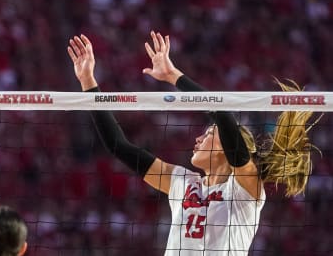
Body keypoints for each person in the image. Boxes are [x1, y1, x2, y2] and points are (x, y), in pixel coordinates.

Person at [67, 31, 319, 255]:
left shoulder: (244, 188)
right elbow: (117, 145)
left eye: (209, 134)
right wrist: (88, 81)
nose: (198, 138)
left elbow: (222, 114)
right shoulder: (183, 182)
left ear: (227, 146)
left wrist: (173, 75)